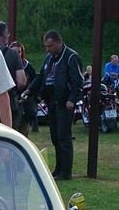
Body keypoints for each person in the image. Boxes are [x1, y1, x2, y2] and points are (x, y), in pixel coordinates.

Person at [26, 30, 83, 179]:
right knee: (55, 137)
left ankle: (66, 172)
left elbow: (78, 81)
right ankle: (58, 169)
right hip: (51, 101)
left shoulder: (71, 57)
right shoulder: (49, 58)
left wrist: (72, 98)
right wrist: (29, 90)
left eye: (50, 46)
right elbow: (40, 77)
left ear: (59, 42)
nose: (48, 49)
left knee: (64, 137)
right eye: (46, 46)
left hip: (64, 103)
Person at [10, 41, 36, 135]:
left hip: (25, 101)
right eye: (14, 52)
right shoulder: (8, 64)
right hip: (12, 100)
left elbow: (35, 81)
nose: (17, 54)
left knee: (24, 128)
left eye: (19, 52)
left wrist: (29, 93)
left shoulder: (27, 66)